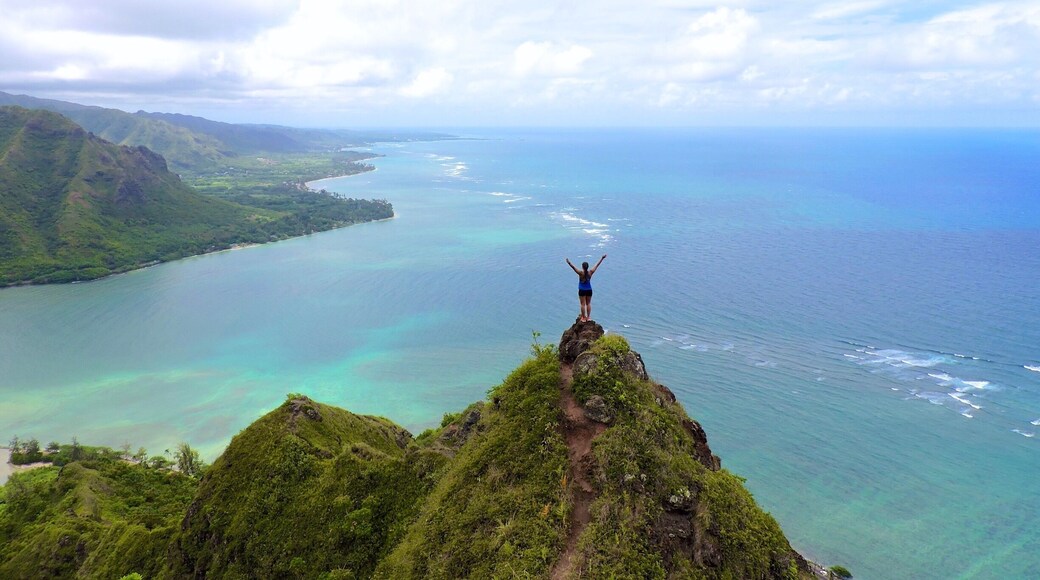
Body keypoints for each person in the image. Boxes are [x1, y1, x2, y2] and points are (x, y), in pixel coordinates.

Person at [566, 254, 606, 323]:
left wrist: (568, 262)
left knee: (582, 304)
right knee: (588, 303)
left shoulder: (580, 273)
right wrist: (602, 258)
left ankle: (584, 318)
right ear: (587, 267)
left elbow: (573, 267)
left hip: (582, 290)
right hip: (589, 290)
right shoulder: (590, 272)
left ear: (582, 267)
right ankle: (588, 317)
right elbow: (597, 265)